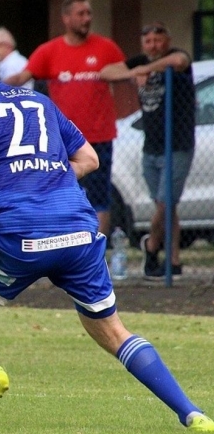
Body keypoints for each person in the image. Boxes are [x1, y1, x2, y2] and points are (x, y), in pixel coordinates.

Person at [0, 34, 214, 431]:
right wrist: (48, 178)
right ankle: (191, 413)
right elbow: (88, 158)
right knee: (114, 332)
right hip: (78, 232)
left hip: (20, 235)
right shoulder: (40, 102)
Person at [5, 0, 125, 238]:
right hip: (63, 139)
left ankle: (96, 248)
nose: (87, 18)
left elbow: (125, 71)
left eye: (89, 13)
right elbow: (21, 78)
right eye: (81, 14)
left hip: (99, 136)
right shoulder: (49, 51)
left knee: (100, 197)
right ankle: (68, 246)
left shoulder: (106, 48)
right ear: (66, 18)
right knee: (63, 192)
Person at [100, 22, 194, 280]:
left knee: (165, 202)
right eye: (149, 42)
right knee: (166, 207)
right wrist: (134, 72)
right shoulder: (140, 62)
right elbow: (107, 72)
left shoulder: (177, 59)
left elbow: (179, 61)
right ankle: (173, 261)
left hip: (177, 145)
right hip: (150, 146)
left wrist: (146, 70)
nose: (154, 46)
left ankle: (151, 245)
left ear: (167, 41)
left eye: (158, 40)